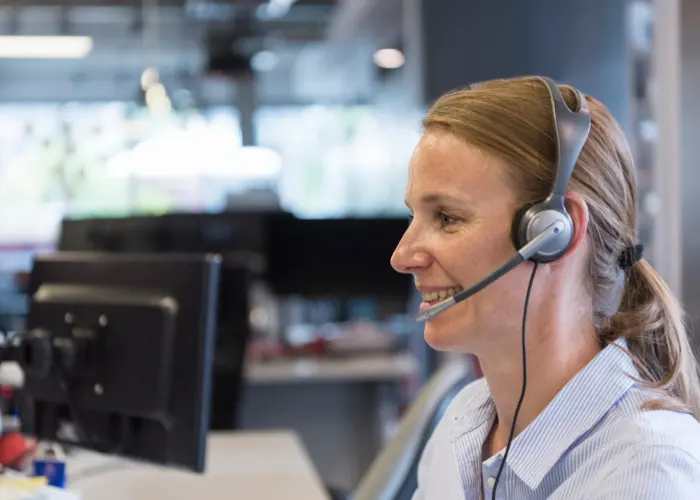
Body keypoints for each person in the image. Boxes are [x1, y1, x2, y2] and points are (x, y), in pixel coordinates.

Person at [391, 75, 700, 499]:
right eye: (414, 216)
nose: (403, 256)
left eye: (447, 218)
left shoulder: (646, 470)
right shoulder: (462, 425)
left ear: (555, 232)